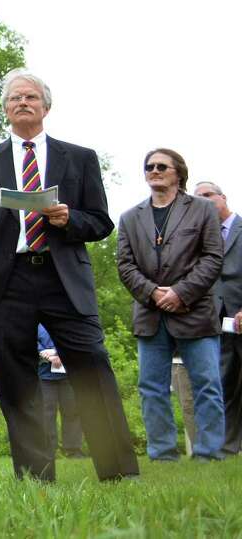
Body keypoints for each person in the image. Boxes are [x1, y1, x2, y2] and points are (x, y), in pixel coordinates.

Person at [0, 67, 138, 482]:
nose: (22, 103)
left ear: (46, 106)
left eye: (31, 97)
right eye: (14, 98)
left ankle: (119, 474)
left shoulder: (79, 158)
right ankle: (37, 479)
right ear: (4, 109)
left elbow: (100, 223)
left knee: (93, 369)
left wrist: (69, 219)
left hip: (64, 280)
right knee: (18, 383)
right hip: (6, 282)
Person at [117, 151, 224, 460]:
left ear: (178, 173)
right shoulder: (129, 217)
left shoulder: (203, 209)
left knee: (207, 385)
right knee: (152, 389)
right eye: (149, 167)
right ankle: (163, 455)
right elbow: (125, 266)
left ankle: (209, 454)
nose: (154, 171)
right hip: (150, 314)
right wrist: (152, 292)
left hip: (195, 312)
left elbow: (213, 257)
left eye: (162, 166)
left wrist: (180, 292)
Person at [194, 181, 242, 455]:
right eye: (198, 198)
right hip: (216, 322)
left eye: (208, 195)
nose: (203, 200)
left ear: (223, 197)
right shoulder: (200, 237)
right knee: (222, 384)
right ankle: (227, 446)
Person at [36, 324, 85, 458]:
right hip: (43, 376)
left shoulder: (63, 319)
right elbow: (28, 340)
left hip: (69, 375)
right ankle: (49, 451)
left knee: (72, 411)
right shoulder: (36, 323)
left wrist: (56, 353)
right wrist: (46, 355)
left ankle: (73, 450)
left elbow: (74, 338)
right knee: (46, 414)